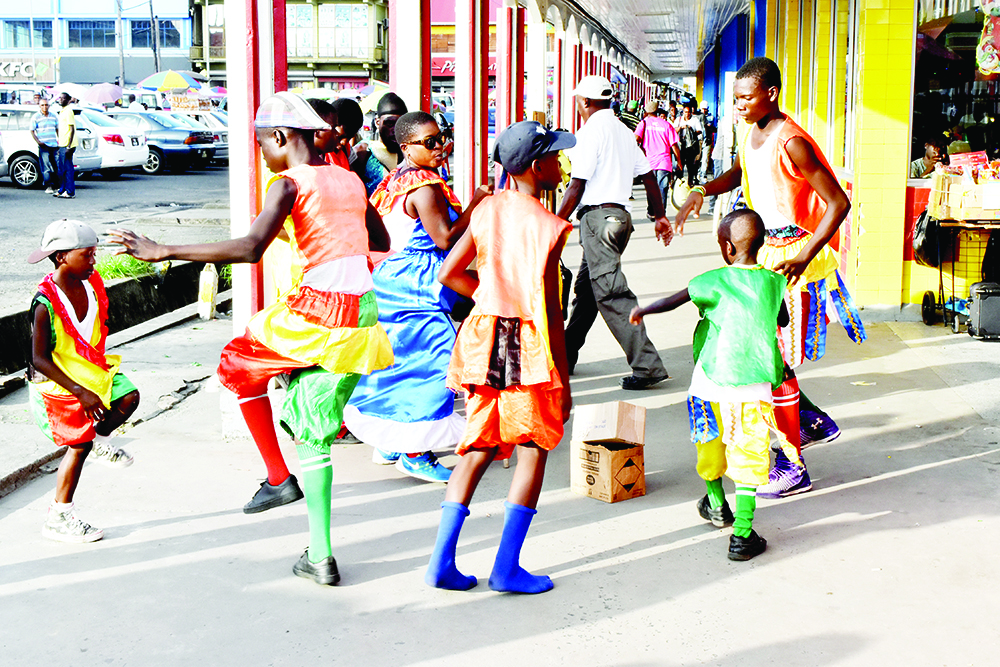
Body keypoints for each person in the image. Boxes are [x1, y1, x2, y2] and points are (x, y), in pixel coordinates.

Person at [110, 92, 394, 585]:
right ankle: (320, 556)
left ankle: (279, 479)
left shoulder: (287, 183)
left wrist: (163, 250)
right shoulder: (347, 177)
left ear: (281, 137)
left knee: (236, 366)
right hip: (359, 317)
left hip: (316, 313)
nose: (262, 154)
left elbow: (249, 247)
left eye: (262, 144)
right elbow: (381, 242)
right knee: (315, 433)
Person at [675, 57, 866, 500]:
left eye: (746, 98)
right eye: (736, 98)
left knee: (769, 360)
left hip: (793, 260)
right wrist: (700, 192)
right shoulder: (753, 130)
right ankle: (812, 421)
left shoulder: (792, 141)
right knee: (772, 361)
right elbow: (741, 173)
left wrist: (804, 255)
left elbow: (838, 202)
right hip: (764, 257)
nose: (738, 106)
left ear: (771, 94)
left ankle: (792, 465)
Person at [426, 121, 573, 593]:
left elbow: (450, 273)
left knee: (478, 445)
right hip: (527, 344)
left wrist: (489, 295)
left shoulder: (487, 208)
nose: (560, 164)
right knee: (532, 447)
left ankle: (441, 563)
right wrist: (563, 379)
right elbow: (550, 309)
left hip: (483, 337)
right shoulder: (550, 227)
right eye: (554, 156)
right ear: (535, 167)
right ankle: (507, 568)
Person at [631, 209, 797, 561]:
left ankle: (718, 505)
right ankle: (742, 536)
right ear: (763, 243)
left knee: (709, 445)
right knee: (749, 454)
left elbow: (674, 301)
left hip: (708, 383)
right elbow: (781, 318)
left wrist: (643, 310)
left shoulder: (712, 280)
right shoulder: (771, 282)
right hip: (754, 387)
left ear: (726, 248)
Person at [342, 111, 491, 482]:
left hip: (391, 278)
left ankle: (391, 441)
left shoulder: (395, 180)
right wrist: (476, 203)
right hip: (417, 282)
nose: (440, 147)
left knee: (397, 362)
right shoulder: (424, 187)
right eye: (430, 142)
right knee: (431, 361)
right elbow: (445, 237)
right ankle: (415, 451)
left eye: (442, 138)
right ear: (406, 146)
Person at [27, 219, 140, 543]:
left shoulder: (91, 285)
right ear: (62, 257)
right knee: (79, 445)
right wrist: (80, 392)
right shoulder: (44, 303)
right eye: (87, 255)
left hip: (84, 370)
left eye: (94, 254)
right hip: (56, 382)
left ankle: (100, 439)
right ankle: (59, 517)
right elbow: (39, 359)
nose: (94, 261)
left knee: (128, 398)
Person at [557, 75, 672, 390]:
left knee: (612, 294)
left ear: (584, 101)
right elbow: (648, 177)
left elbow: (576, 184)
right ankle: (564, 358)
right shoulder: (624, 131)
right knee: (589, 293)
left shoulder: (590, 133)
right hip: (621, 219)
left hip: (599, 222)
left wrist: (553, 223)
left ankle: (647, 366)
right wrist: (659, 215)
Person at [353, 92, 407, 196]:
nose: (395, 130)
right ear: (378, 122)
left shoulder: (412, 153)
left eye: (400, 124)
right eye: (390, 124)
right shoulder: (363, 152)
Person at [635, 99, 681, 211]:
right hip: (664, 162)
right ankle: (661, 212)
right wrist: (679, 163)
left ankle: (652, 210)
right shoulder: (666, 124)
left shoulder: (643, 123)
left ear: (646, 112)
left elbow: (635, 139)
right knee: (662, 188)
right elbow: (674, 146)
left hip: (648, 162)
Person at [30, 99, 60, 194]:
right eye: (42, 105)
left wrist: (59, 141)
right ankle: (49, 186)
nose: (44, 107)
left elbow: (57, 129)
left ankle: (57, 185)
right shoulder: (36, 116)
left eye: (46, 105)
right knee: (46, 166)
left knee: (56, 165)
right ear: (39, 106)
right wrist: (38, 141)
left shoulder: (54, 116)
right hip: (44, 145)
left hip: (54, 144)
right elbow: (32, 130)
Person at [55, 92, 77, 199]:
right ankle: (62, 189)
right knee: (62, 169)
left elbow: (72, 129)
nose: (60, 100)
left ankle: (70, 191)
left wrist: (69, 146)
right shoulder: (62, 111)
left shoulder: (68, 111)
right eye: (60, 98)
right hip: (62, 144)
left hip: (68, 145)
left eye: (63, 98)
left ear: (68, 100)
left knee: (68, 169)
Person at [676, 103, 704, 187]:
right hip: (681, 145)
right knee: (680, 164)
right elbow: (674, 130)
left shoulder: (695, 120)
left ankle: (690, 182)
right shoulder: (679, 119)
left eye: (689, 112)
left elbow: (700, 130)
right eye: (686, 112)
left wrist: (691, 130)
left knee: (690, 165)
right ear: (683, 112)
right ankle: (679, 181)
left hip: (691, 146)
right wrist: (681, 128)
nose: (687, 114)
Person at [698, 100, 716, 183]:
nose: (704, 110)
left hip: (707, 140)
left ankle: (703, 175)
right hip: (698, 140)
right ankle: (697, 174)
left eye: (705, 109)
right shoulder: (697, 116)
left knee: (705, 159)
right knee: (697, 158)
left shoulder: (711, 117)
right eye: (703, 109)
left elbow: (714, 128)